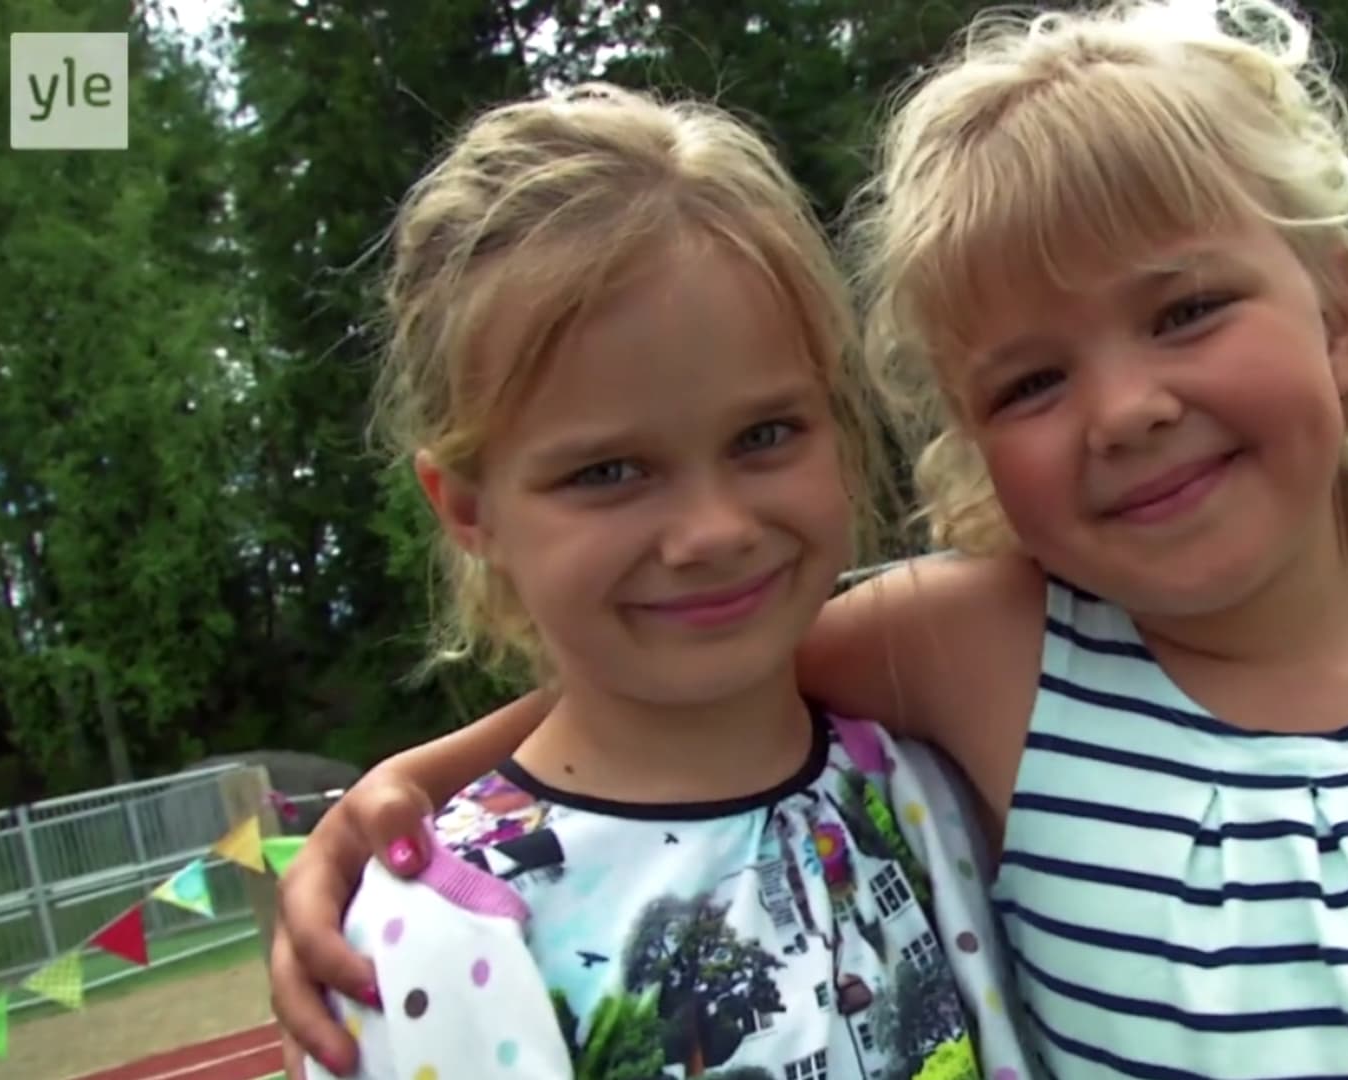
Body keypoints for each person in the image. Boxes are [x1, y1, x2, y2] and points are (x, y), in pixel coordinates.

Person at [272, 2, 1348, 1077]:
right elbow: (689, 673)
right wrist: (409, 793)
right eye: (1031, 383)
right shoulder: (986, 659)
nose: (1126, 408)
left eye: (1185, 309)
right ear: (971, 442)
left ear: (1338, 318)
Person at [295, 82, 1031, 1080]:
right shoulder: (439, 932)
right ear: (468, 509)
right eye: (609, 471)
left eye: (763, 435)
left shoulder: (917, 784)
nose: (713, 530)